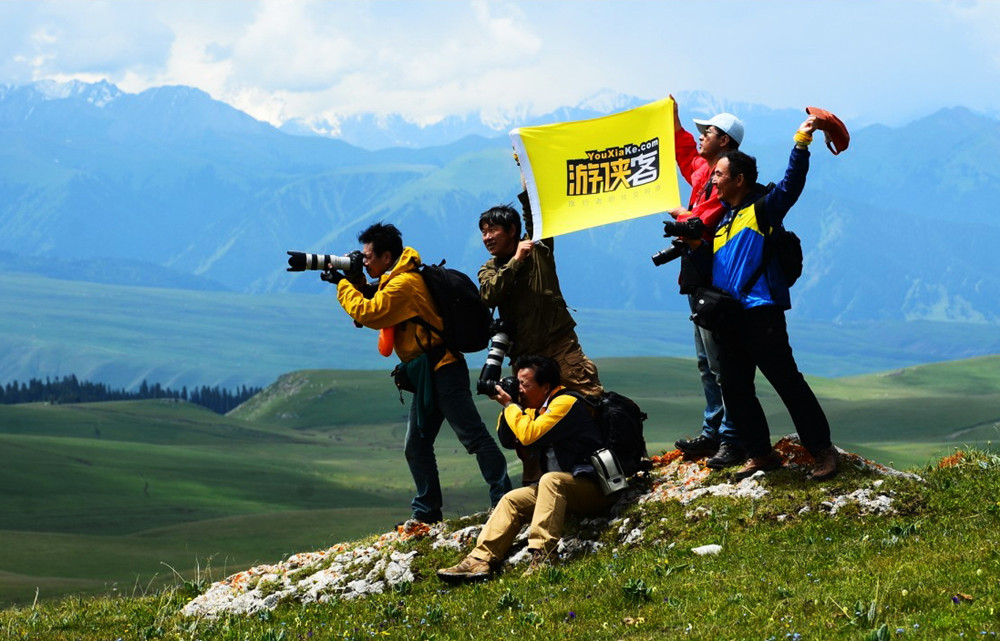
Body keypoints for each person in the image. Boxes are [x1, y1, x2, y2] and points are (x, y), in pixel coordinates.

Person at [323, 222, 511, 522]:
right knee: (416, 446)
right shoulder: (394, 279)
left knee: (473, 438)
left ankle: (503, 500)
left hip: (444, 370)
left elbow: (369, 313)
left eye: (368, 257)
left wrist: (342, 285)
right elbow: (373, 302)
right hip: (428, 374)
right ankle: (426, 513)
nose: (364, 261)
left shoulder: (405, 284)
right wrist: (356, 279)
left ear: (387, 256)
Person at [708, 117, 838, 481]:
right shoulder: (723, 218)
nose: (712, 180)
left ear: (739, 179)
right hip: (729, 319)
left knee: (787, 383)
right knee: (734, 388)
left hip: (761, 315)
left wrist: (802, 142)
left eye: (719, 174)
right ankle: (760, 454)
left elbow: (791, 185)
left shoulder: (763, 209)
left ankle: (823, 451)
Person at [436, 355, 613, 581]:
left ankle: (544, 557)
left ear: (546, 386)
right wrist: (513, 406)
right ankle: (479, 560)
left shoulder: (565, 403)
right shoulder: (534, 408)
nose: (519, 389)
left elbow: (529, 436)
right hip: (561, 491)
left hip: (595, 488)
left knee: (551, 480)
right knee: (512, 500)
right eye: (517, 383)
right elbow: (507, 439)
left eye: (525, 385)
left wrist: (511, 405)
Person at [479, 184, 603, 484]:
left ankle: (606, 468)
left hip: (560, 346)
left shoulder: (539, 248)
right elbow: (489, 295)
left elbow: (538, 215)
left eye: (493, 230)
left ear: (512, 230)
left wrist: (529, 184)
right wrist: (515, 262)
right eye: (483, 232)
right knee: (529, 424)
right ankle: (535, 486)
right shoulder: (489, 269)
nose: (487, 238)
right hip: (525, 361)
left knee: (590, 404)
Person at [665, 97, 747, 470]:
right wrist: (672, 119)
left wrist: (682, 214)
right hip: (696, 279)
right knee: (705, 362)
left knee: (718, 363)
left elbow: (703, 220)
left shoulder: (725, 182)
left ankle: (732, 436)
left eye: (707, 132)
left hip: (714, 284)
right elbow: (684, 152)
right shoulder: (704, 172)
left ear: (724, 141)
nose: (700, 137)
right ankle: (713, 430)